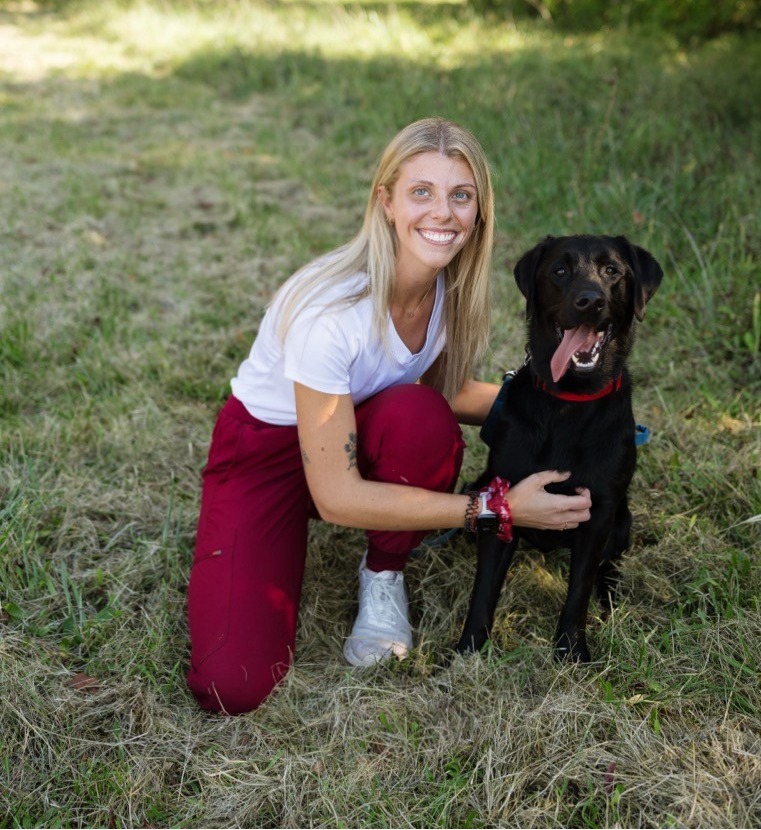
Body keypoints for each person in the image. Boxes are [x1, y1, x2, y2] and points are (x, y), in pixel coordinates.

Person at [186, 117, 592, 715]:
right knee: (233, 683)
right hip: (265, 455)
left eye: (461, 195)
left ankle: (384, 571)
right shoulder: (332, 313)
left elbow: (440, 390)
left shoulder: (447, 288)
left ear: (479, 210)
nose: (443, 213)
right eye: (421, 192)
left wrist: (566, 405)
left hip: (353, 430)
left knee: (419, 417)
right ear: (386, 202)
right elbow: (336, 497)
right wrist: (495, 508)